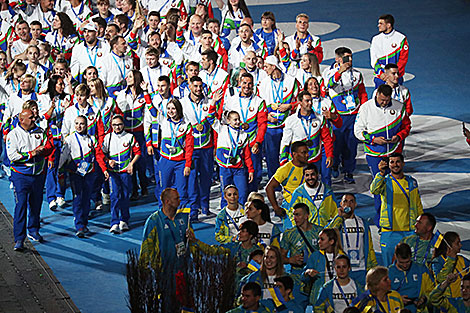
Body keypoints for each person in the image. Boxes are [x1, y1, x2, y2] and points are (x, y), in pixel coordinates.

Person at [356, 85, 412, 225]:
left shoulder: (399, 107)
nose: (384, 103)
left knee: (396, 184)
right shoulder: (366, 108)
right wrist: (373, 139)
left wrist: (399, 136)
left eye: (387, 100)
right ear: (377, 94)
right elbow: (357, 131)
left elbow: (407, 126)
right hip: (375, 154)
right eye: (382, 100)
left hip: (394, 153)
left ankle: (398, 215)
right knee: (379, 185)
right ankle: (382, 218)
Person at [7, 109, 54, 251]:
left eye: (34, 117)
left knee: (36, 203)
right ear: (22, 120)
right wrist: (31, 154)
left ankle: (33, 230)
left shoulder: (40, 131)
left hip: (38, 175)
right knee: (21, 205)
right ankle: (19, 239)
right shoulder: (13, 135)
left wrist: (44, 151)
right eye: (31, 117)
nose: (34, 119)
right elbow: (12, 156)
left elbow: (49, 147)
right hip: (20, 176)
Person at [370, 152, 423, 266]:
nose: (395, 164)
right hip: (389, 232)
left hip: (409, 231)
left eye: (398, 161)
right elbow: (374, 190)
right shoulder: (384, 181)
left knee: (411, 266)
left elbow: (418, 205)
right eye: (392, 162)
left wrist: (421, 226)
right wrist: (381, 173)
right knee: (389, 267)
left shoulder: (411, 182)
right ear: (388, 165)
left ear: (403, 163)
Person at [323, 47, 367, 184]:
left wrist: (364, 110)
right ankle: (335, 164)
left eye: (351, 57)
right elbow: (328, 85)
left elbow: (362, 93)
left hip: (354, 114)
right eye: (347, 58)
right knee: (337, 143)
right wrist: (340, 72)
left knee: (351, 144)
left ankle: (349, 170)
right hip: (338, 116)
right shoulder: (329, 72)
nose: (350, 60)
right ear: (338, 59)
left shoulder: (357, 74)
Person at [58, 115, 106, 238]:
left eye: (82, 124)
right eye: (77, 123)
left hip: (90, 173)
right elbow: (63, 155)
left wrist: (104, 169)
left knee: (86, 198)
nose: (79, 126)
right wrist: (58, 169)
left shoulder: (92, 139)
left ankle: (84, 222)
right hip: (76, 173)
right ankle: (79, 224)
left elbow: (99, 155)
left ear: (87, 125)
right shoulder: (70, 139)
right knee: (78, 197)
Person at [223, 72, 267, 193]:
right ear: (239, 84)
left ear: (253, 85)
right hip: (235, 145)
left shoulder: (259, 101)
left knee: (252, 174)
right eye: (244, 83)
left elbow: (262, 124)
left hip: (252, 144)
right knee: (236, 176)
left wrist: (258, 142)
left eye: (249, 83)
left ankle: (252, 200)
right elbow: (225, 122)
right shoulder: (231, 100)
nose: (247, 86)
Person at [279, 90, 334, 185]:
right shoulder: (291, 120)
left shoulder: (320, 118)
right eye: (307, 101)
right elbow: (285, 142)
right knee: (298, 186)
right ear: (300, 103)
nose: (310, 103)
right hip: (298, 160)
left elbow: (327, 139)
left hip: (315, 158)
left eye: (311, 101)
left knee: (314, 185)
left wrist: (329, 155)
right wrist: (283, 161)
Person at [259, 55, 299, 178]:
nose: (264, 68)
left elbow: (301, 101)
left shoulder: (292, 81)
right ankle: (275, 183)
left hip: (288, 125)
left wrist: (289, 106)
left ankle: (291, 180)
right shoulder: (263, 83)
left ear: (273, 66)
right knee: (272, 156)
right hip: (271, 126)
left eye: (266, 66)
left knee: (289, 154)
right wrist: (267, 117)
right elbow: (259, 105)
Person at [180, 76, 215, 220]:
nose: (198, 89)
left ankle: (205, 206)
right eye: (195, 86)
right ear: (190, 87)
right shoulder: (182, 103)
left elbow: (214, 121)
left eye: (200, 86)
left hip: (206, 146)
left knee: (206, 177)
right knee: (192, 179)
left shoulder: (208, 101)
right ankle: (193, 210)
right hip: (191, 148)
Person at [102, 115, 141, 234]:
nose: (117, 127)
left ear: (123, 124)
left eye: (119, 124)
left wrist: (131, 164)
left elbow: (138, 153)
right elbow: (102, 154)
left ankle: (124, 220)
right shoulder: (107, 138)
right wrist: (108, 161)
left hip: (125, 172)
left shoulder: (129, 137)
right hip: (113, 173)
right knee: (114, 196)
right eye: (114, 125)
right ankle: (114, 222)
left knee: (124, 195)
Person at [327, 193, 377, 286]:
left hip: (361, 269)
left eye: (351, 201)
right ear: (341, 204)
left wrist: (373, 267)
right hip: (343, 269)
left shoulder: (363, 223)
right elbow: (327, 235)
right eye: (345, 201)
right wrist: (338, 217)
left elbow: (369, 247)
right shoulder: (338, 222)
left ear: (355, 204)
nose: (348, 204)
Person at [140, 188, 190, 275]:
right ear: (167, 201)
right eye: (176, 198)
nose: (179, 201)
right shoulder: (154, 220)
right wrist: (143, 267)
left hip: (182, 267)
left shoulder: (184, 218)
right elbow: (147, 245)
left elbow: (191, 242)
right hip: (162, 269)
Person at [157, 98, 194, 208]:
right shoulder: (163, 120)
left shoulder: (186, 125)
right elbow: (152, 109)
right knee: (164, 189)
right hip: (165, 161)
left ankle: (181, 217)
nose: (170, 111)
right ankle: (163, 214)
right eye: (168, 109)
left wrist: (187, 165)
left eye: (173, 108)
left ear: (178, 109)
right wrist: (145, 92)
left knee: (182, 191)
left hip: (180, 162)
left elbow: (189, 147)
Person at [266, 141, 308, 230]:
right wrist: (276, 207)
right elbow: (269, 187)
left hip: (307, 207)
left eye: (307, 152)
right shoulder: (286, 169)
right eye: (303, 153)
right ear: (295, 154)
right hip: (291, 210)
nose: (307, 155)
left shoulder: (309, 168)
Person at [302, 228, 344, 306]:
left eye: (322, 239)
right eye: (319, 239)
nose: (319, 242)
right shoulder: (315, 256)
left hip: (338, 296)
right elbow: (303, 277)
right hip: (320, 298)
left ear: (331, 241)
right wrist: (307, 273)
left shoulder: (342, 256)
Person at [388, 243, 435, 313]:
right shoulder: (388, 273)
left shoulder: (421, 269)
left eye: (407, 262)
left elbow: (432, 291)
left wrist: (424, 299)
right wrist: (398, 299)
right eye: (401, 262)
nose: (404, 266)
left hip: (419, 310)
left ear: (411, 257)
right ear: (396, 257)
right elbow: (383, 296)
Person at [289, 164, 338, 228]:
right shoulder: (299, 193)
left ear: (317, 174)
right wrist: (299, 228)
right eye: (307, 175)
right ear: (303, 176)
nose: (310, 178)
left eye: (312, 174)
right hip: (308, 232)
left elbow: (335, 211)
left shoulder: (327, 191)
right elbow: (292, 212)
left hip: (326, 231)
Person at [280, 203, 323, 276]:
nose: (294, 218)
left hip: (316, 272)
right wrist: (291, 260)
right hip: (297, 274)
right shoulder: (289, 234)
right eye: (294, 215)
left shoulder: (319, 232)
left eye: (298, 215)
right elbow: (280, 257)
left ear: (306, 216)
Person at [370, 14, 409, 88]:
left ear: (388, 25)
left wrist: (393, 74)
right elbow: (373, 59)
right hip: (381, 77)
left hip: (396, 78)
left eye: (381, 23)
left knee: (397, 99)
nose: (378, 25)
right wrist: (381, 73)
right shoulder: (375, 39)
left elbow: (403, 60)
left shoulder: (401, 39)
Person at [431, 231, 470, 298]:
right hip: (448, 304)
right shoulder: (438, 261)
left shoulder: (462, 260)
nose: (461, 245)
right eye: (457, 243)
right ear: (449, 246)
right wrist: (451, 259)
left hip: (462, 302)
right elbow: (441, 279)